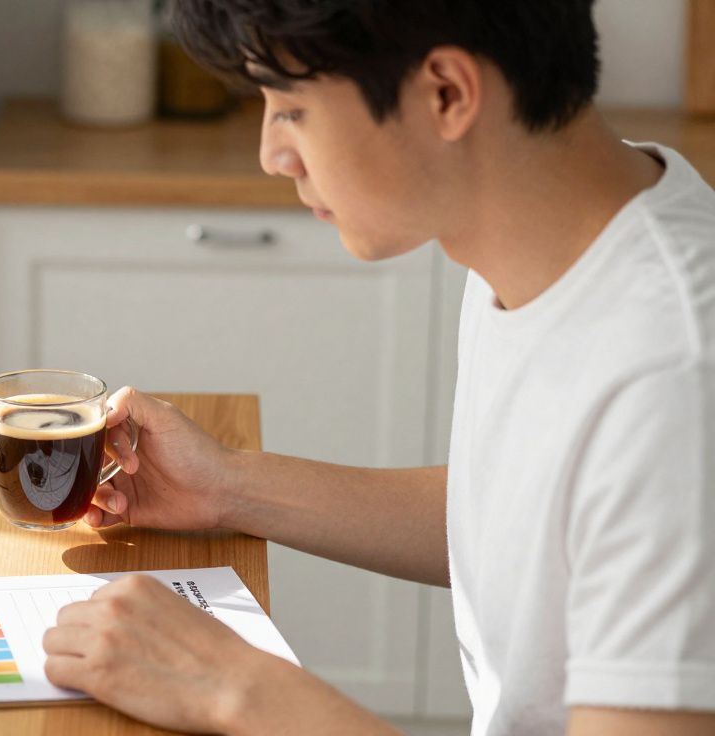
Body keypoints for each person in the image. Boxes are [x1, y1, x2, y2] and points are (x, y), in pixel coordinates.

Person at [39, 1, 715, 734]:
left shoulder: (671, 376)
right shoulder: (553, 237)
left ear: (446, 95)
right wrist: (227, 486)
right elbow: (543, 522)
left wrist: (235, 691)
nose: (272, 153)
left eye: (291, 107)